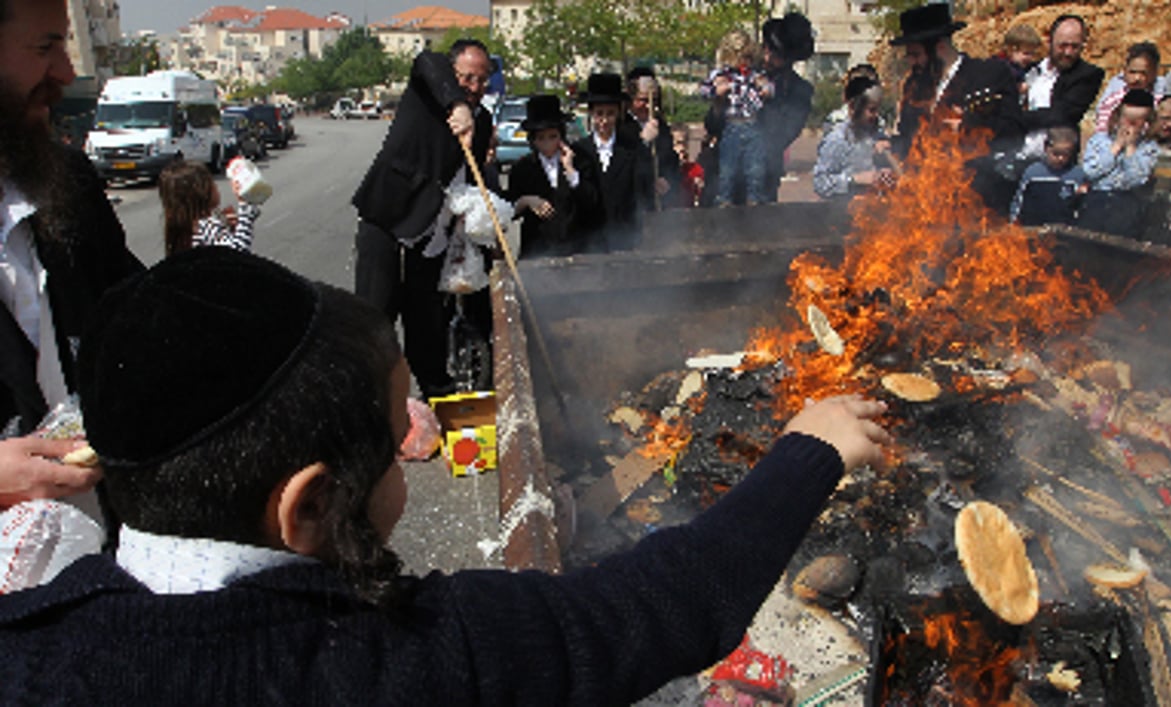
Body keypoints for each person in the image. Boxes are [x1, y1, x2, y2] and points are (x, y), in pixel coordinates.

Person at [0, 247, 890, 704]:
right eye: (399, 441)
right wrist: (809, 448)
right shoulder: (413, 662)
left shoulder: (31, 639)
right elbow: (669, 601)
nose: (413, 446)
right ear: (308, 508)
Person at [0, 0, 142, 515]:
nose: (65, 72)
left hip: (96, 562)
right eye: (45, 47)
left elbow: (138, 315)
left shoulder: (67, 184)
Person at [352, 39, 494, 400]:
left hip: (433, 231)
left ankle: (438, 396)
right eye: (467, 78)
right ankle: (369, 401)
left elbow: (465, 176)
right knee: (375, 317)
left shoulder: (484, 120)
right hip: (389, 216)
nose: (474, 88)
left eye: (481, 81)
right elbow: (425, 60)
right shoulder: (430, 90)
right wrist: (457, 103)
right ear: (452, 73)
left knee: (427, 320)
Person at [891, 3, 1023, 214]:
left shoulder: (988, 75)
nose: (912, 62)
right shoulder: (914, 86)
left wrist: (968, 127)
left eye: (916, 54)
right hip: (927, 203)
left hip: (977, 200)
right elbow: (907, 135)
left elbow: (1013, 130)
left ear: (940, 47)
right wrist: (890, 148)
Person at [503, 94, 599, 258]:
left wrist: (571, 171)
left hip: (576, 250)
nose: (547, 143)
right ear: (532, 139)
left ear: (561, 135)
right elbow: (508, 211)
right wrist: (526, 201)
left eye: (552, 136)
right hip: (536, 251)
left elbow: (592, 201)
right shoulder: (523, 168)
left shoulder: (581, 160)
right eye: (541, 138)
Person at [572, 72, 655, 252]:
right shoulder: (578, 151)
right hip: (590, 240)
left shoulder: (632, 148)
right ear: (591, 114)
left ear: (618, 113)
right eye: (599, 114)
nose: (604, 120)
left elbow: (641, 189)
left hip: (625, 237)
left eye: (610, 114)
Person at [1015, 14, 1104, 164]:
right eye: (1062, 45)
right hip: (1016, 154)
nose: (1068, 52)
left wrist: (1014, 117)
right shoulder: (1028, 70)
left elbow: (1061, 115)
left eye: (1074, 46)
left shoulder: (1088, 75)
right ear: (1049, 42)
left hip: (1056, 163)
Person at [700, 29, 774, 207]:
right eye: (741, 57)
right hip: (732, 125)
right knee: (728, 166)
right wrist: (716, 92)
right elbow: (703, 90)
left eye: (748, 58)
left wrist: (765, 90)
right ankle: (724, 198)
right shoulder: (721, 76)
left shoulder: (754, 76)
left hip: (752, 124)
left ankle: (754, 196)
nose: (744, 62)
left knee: (755, 166)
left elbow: (770, 88)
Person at [1077, 89, 1159, 237]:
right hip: (1097, 200)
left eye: (1137, 121)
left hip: (1127, 204)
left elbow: (1137, 180)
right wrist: (1115, 147)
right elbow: (1090, 171)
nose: (1130, 125)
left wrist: (1130, 149)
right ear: (1118, 117)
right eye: (1127, 119)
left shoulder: (1149, 147)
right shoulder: (1100, 140)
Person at [758, 12, 816, 204]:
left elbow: (782, 135)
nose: (766, 57)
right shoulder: (745, 77)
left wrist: (767, 100)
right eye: (765, 48)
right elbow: (714, 123)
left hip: (763, 176)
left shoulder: (800, 92)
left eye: (774, 53)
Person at [813, 78, 896, 202]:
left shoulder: (875, 136)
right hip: (841, 214)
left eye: (878, 109)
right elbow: (820, 183)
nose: (876, 115)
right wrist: (855, 179)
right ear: (853, 107)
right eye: (871, 110)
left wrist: (883, 174)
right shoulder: (837, 140)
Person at [158, 159, 258, 256]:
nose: (216, 186)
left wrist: (230, 229)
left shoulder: (185, 229)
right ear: (202, 192)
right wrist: (246, 208)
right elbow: (237, 253)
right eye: (212, 183)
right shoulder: (206, 225)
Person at [1139, 91, 1171, 243]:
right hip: (1138, 215)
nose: (1169, 125)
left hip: (1167, 221)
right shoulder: (1139, 144)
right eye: (1165, 119)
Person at [1009, 126, 1086, 226]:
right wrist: (1013, 220)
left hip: (1065, 229)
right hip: (1034, 227)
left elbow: (1080, 206)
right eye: (1056, 154)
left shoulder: (1076, 174)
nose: (1060, 158)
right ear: (1046, 148)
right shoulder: (1033, 172)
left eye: (1065, 154)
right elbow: (1019, 200)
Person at [624, 67, 678, 208]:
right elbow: (625, 163)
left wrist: (667, 179)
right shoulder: (622, 126)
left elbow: (671, 158)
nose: (648, 106)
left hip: (659, 201)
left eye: (653, 99)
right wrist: (644, 141)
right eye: (642, 100)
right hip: (634, 201)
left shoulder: (661, 126)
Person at [1094, 42, 1165, 134]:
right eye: (1132, 72)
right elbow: (1102, 130)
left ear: (1154, 73)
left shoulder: (1159, 100)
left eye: (1143, 73)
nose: (1137, 78)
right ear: (1125, 71)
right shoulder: (1113, 100)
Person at [995, 23, 1042, 98]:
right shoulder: (1003, 67)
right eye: (1026, 53)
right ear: (1012, 50)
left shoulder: (1019, 65)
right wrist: (1019, 87)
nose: (1030, 58)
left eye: (1032, 54)